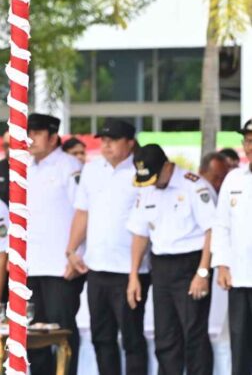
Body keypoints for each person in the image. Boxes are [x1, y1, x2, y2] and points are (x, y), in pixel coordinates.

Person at [65, 119, 149, 375]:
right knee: (102, 338)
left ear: (130, 143)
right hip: (97, 267)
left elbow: (145, 224)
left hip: (130, 270)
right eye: (103, 140)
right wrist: (71, 250)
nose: (106, 145)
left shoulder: (141, 172)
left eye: (113, 140)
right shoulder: (91, 170)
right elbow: (82, 213)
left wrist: (134, 272)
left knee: (132, 339)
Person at [126, 144, 215, 375]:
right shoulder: (146, 188)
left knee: (193, 334)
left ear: (167, 166)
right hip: (161, 265)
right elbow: (140, 234)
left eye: (155, 177)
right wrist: (133, 275)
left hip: (191, 264)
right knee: (165, 335)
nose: (153, 183)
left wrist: (203, 272)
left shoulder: (193, 186)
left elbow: (212, 231)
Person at [24, 113, 84, 375]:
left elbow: (84, 213)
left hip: (61, 266)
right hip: (31, 265)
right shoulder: (24, 167)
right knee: (33, 335)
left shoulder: (69, 166)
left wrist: (77, 254)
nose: (31, 138)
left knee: (62, 333)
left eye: (36, 133)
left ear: (52, 137)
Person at [211, 118, 252, 375]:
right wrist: (222, 264)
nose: (250, 146)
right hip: (239, 277)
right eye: (248, 140)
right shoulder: (234, 179)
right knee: (239, 344)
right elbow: (221, 225)